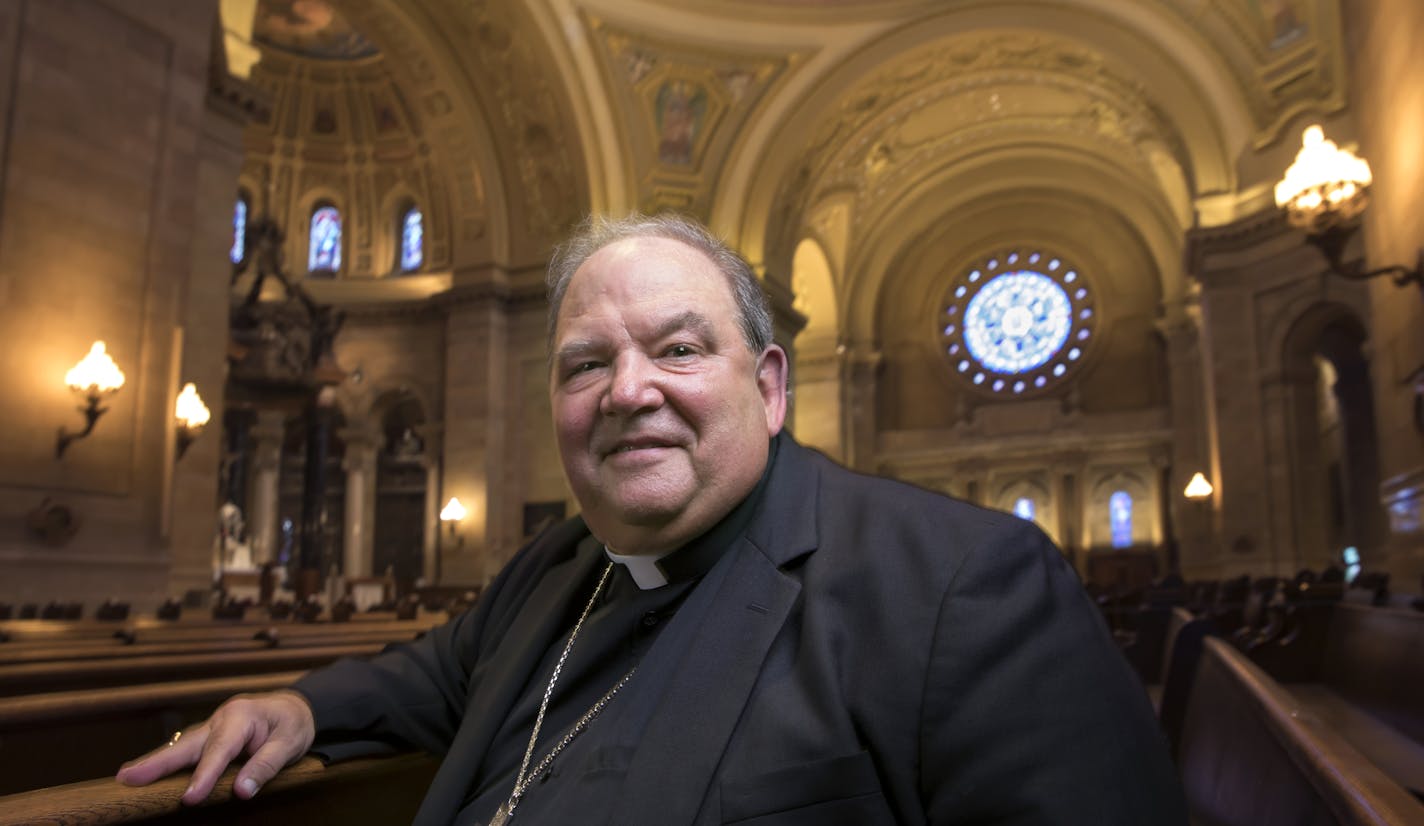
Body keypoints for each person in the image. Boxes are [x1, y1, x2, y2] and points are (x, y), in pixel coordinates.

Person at [118, 213, 1187, 824]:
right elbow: (435, 675)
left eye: (677, 349)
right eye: (587, 363)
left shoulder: (966, 588)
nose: (627, 391)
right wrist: (299, 708)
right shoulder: (560, 562)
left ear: (767, 386)